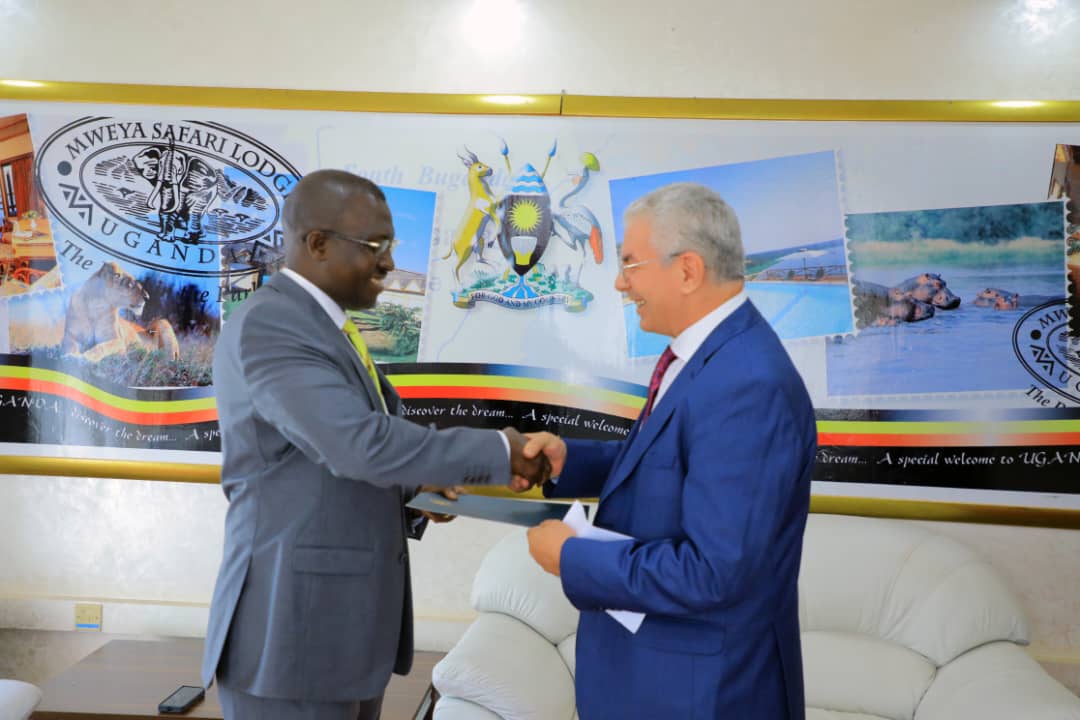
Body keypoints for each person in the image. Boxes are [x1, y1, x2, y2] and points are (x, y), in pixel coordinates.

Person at [202, 169, 549, 720]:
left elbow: (328, 457)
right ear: (315, 243)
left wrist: (418, 489)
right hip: (294, 638)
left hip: (342, 635)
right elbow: (356, 444)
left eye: (392, 245)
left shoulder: (326, 326)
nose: (389, 262)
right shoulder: (273, 325)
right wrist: (500, 454)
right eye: (375, 246)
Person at [519, 182, 816, 719]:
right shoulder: (709, 357)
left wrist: (571, 557)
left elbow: (713, 570)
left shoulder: (748, 382)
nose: (618, 282)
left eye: (630, 264)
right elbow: (672, 462)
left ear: (687, 270)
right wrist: (571, 459)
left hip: (703, 693)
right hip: (660, 680)